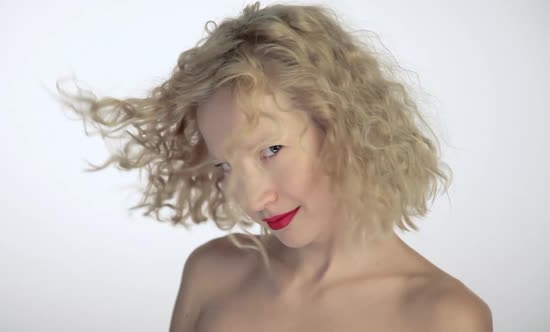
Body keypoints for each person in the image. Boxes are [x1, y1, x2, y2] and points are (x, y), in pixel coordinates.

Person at [57, 2, 492, 331]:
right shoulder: (212, 273)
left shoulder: (444, 316)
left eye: (271, 150)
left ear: (343, 125)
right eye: (227, 164)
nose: (249, 198)